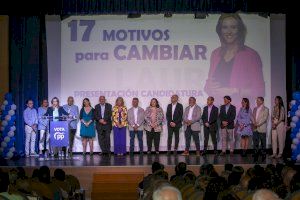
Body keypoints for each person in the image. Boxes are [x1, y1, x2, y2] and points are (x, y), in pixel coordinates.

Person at [204, 13, 265, 105]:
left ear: (239, 30)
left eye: (233, 27)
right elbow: (208, 85)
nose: (229, 31)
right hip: (218, 110)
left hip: (239, 111)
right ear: (220, 30)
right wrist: (209, 87)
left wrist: (234, 91)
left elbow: (260, 91)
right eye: (225, 27)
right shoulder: (215, 54)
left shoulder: (251, 55)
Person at [252, 97, 269, 161]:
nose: (257, 102)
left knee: (263, 143)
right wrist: (254, 123)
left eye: (258, 101)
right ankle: (255, 157)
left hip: (261, 128)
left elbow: (264, 119)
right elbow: (253, 117)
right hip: (255, 128)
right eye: (256, 101)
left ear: (262, 101)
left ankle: (263, 156)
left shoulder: (266, 109)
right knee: (255, 143)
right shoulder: (254, 109)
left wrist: (258, 124)